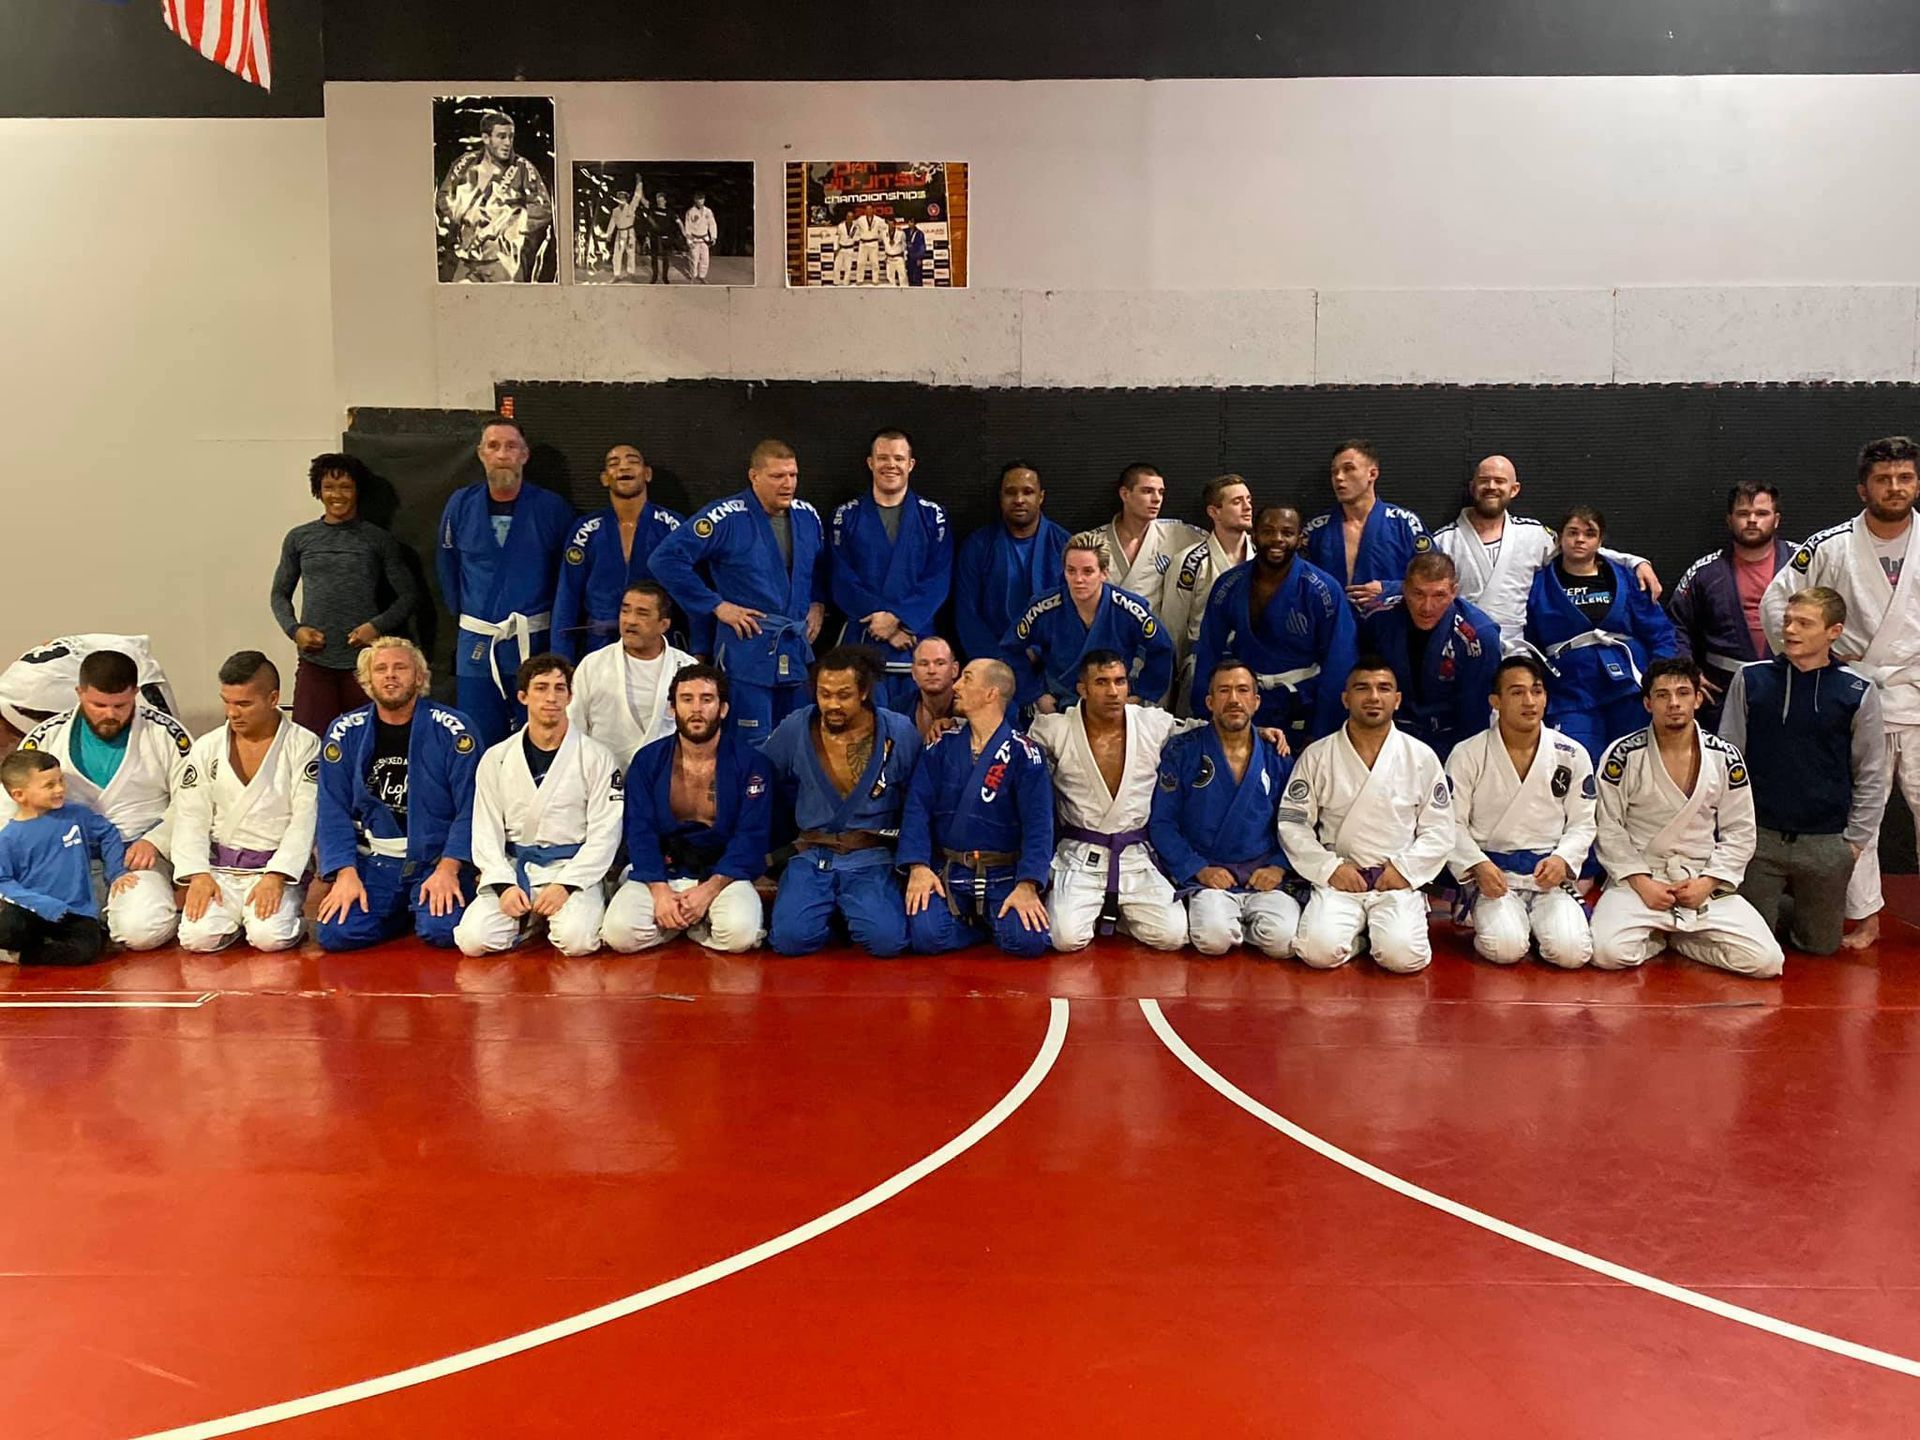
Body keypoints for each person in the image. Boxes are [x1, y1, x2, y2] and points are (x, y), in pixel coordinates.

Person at [1761, 436, 1920, 951]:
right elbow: (1776, 600)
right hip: (1854, 698)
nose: (1894, 488)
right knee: (1860, 816)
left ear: (1917, 483)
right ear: (1862, 487)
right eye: (1883, 479)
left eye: (1904, 478)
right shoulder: (1829, 547)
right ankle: (1865, 918)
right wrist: (1808, 661)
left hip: (1917, 696)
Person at [1721, 588, 1889, 956]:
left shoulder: (1857, 690)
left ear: (1834, 631)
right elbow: (1726, 760)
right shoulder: (1751, 680)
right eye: (1787, 621)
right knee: (1749, 944)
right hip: (1759, 838)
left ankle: (1792, 909)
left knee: (1821, 947)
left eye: (1804, 623)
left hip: (1826, 842)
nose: (1790, 630)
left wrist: (1855, 843)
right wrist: (1730, 832)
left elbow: (1873, 773)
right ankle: (1761, 905)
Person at [1591, 658, 1784, 977]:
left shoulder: (1725, 756)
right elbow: (1609, 829)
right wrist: (1642, 883)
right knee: (1606, 953)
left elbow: (1740, 832)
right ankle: (1660, 935)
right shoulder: (1623, 755)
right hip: (1642, 877)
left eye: (1683, 693)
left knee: (1766, 962)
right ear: (1647, 703)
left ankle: (1680, 938)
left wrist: (1708, 882)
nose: (1674, 703)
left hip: (1700, 877)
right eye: (1663, 695)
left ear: (1697, 698)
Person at [1278, 659, 1456, 974]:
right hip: (1341, 878)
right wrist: (1329, 868)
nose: (1373, 696)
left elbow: (1439, 829)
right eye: (1363, 688)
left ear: (1397, 699)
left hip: (1395, 881)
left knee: (1404, 959)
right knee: (1316, 953)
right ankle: (1364, 940)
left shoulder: (1421, 757)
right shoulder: (1319, 754)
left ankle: (1378, 935)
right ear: (1346, 698)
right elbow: (1293, 824)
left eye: (1383, 688)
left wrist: (1405, 870)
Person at [650, 439, 828, 747]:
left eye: (793, 475)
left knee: (800, 745)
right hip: (747, 649)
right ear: (754, 476)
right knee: (750, 747)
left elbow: (820, 566)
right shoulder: (726, 516)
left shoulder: (807, 516)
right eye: (777, 476)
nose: (787, 484)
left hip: (794, 651)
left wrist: (818, 602)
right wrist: (716, 605)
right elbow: (665, 560)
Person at [314, 638, 482, 952]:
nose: (390, 675)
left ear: (419, 677)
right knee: (335, 933)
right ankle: (399, 910)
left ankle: (413, 908)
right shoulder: (345, 731)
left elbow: (471, 806)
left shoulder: (454, 729)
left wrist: (449, 868)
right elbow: (331, 808)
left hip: (434, 859)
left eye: (400, 668)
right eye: (381, 669)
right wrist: (345, 873)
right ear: (368, 680)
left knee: (443, 931)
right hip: (376, 863)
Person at [15, 648, 189, 951]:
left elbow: (193, 800)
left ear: (135, 692)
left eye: (120, 705)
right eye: (98, 704)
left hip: (137, 854)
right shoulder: (45, 737)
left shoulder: (166, 734)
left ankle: (99, 921)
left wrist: (156, 840)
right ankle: (95, 922)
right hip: (64, 858)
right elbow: (12, 804)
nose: (109, 714)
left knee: (144, 929)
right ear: (79, 692)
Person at [454, 655, 624, 959]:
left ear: (571, 697)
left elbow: (606, 833)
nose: (551, 697)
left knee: (578, 942)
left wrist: (567, 885)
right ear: (522, 697)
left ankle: (552, 913)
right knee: (472, 940)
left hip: (570, 868)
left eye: (560, 688)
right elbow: (485, 829)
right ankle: (532, 918)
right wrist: (503, 885)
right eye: (541, 688)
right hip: (516, 868)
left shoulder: (597, 757)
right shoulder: (497, 758)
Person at [1027, 652, 1196, 952]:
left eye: (1120, 681)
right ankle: (1108, 906)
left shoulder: (1152, 723)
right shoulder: (1053, 729)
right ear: (1082, 689)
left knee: (1173, 934)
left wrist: (1253, 734)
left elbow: (1204, 734)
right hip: (1081, 854)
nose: (1113, 691)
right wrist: (956, 723)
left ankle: (1113, 910)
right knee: (1064, 938)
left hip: (1134, 855)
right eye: (1102, 682)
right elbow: (1012, 752)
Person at [759, 648, 920, 957]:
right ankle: (828, 911)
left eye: (843, 695)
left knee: (888, 942)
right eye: (824, 694)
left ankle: (846, 909)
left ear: (864, 691)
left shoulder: (898, 731)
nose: (832, 704)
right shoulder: (797, 727)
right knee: (790, 940)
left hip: (871, 856)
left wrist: (915, 862)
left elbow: (918, 803)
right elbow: (758, 778)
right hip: (812, 853)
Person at [602, 664, 770, 953]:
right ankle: (684, 920)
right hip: (662, 870)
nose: (696, 709)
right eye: (687, 699)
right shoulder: (648, 760)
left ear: (723, 709)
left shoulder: (751, 763)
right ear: (672, 708)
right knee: (619, 934)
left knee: (739, 935)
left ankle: (685, 925)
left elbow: (751, 836)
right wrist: (659, 889)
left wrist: (710, 890)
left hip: (722, 874)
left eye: (707, 699)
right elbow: (639, 830)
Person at [1444, 655, 1596, 968]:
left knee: (1573, 955)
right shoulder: (1468, 754)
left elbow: (1583, 823)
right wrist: (1478, 866)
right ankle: (1507, 923)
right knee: (1506, 949)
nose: (1529, 701)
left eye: (1537, 691)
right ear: (1495, 701)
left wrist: (1562, 859)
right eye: (1517, 692)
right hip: (1494, 878)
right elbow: (1450, 824)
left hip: (1548, 878)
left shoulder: (1570, 753)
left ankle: (1541, 926)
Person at [900, 659, 1054, 957]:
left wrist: (1028, 884)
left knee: (1027, 942)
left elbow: (1039, 825)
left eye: (967, 679)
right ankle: (983, 929)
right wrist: (918, 866)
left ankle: (993, 925)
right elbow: (916, 809)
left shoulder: (1025, 753)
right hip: (949, 872)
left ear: (991, 693)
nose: (955, 685)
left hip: (1004, 874)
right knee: (926, 937)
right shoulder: (940, 745)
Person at [436, 417, 575, 745]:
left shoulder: (552, 508)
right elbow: (447, 564)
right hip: (478, 642)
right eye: (493, 446)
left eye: (511, 446)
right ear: (481, 453)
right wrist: (467, 613)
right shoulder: (460, 504)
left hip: (534, 642)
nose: (502, 454)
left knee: (541, 739)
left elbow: (566, 577)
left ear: (524, 455)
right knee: (477, 737)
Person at [172, 653, 320, 956]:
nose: (232, 713)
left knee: (270, 938)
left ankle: (285, 919)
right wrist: (198, 874)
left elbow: (305, 819)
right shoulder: (207, 747)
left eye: (243, 704)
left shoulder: (303, 745)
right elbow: (190, 815)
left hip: (273, 869)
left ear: (273, 698)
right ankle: (235, 921)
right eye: (226, 702)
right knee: (195, 939)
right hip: (220, 870)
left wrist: (277, 875)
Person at [1148, 660, 1299, 958]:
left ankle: (1244, 923)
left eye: (1243, 690)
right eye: (1224, 691)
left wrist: (1279, 867)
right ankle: (1226, 919)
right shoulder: (1183, 750)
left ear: (1256, 701)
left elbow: (1296, 823)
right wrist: (1198, 869)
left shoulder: (1277, 754)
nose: (1234, 699)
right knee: (1213, 940)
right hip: (1208, 875)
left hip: (1262, 875)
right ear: (1209, 701)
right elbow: (1163, 822)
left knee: (1282, 942)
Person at [1429, 454, 1657, 646]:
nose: (1491, 487)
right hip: (1461, 642)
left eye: (1499, 481)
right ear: (1472, 487)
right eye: (1484, 481)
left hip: (1516, 647)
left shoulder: (1533, 535)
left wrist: (1634, 562)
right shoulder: (1444, 541)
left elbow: (1579, 548)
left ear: (1514, 489)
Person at [271, 451, 420, 736]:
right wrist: (294, 630)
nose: (337, 495)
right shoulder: (299, 538)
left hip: (364, 664)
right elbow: (279, 594)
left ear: (357, 491)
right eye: (329, 487)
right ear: (318, 490)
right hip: (316, 661)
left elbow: (408, 596)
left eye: (345, 487)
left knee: (369, 740)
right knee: (309, 745)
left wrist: (375, 627)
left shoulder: (378, 540)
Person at [1190, 505, 1358, 742]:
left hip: (1303, 702)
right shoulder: (1229, 585)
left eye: (1287, 533)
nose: (1277, 539)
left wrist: (1325, 727)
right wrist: (1204, 711)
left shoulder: (1323, 589)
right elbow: (1209, 649)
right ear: (1254, 536)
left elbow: (1339, 661)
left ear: (1300, 539)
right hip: (1245, 700)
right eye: (1268, 531)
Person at [1524, 505, 1680, 760]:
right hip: (1570, 691)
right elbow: (1528, 638)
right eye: (1572, 533)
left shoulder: (1626, 578)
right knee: (1576, 761)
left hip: (1628, 686)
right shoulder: (1538, 584)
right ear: (1560, 538)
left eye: (1589, 533)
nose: (1580, 540)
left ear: (1600, 541)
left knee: (1634, 761)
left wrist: (1658, 678)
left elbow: (1660, 632)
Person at [830, 429, 953, 708]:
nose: (891, 465)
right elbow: (841, 578)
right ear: (870, 463)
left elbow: (938, 579)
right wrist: (881, 622)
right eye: (883, 458)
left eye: (899, 458)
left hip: (915, 641)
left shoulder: (934, 517)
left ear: (910, 464)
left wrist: (900, 619)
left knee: (916, 728)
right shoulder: (845, 515)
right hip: (863, 639)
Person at [550, 441, 699, 660]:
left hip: (659, 646)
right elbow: (567, 596)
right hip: (599, 647)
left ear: (647, 474)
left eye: (633, 461)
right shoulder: (586, 530)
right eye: (614, 463)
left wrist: (700, 648)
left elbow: (694, 591)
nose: (623, 467)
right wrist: (561, 658)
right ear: (604, 478)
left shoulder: (673, 526)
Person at [1002, 534, 1174, 714]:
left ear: (1104, 572)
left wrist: (1139, 694)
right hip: (1057, 707)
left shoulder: (1129, 609)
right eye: (1071, 571)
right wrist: (1036, 694)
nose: (1078, 579)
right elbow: (1011, 647)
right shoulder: (1044, 609)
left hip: (1114, 703)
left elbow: (1162, 648)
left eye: (1087, 571)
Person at [1667, 481, 1792, 728]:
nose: (1752, 520)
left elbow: (1831, 612)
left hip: (1792, 684)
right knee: (1725, 762)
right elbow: (1674, 624)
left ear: (1776, 520)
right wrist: (1687, 671)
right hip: (1723, 689)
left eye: (1762, 514)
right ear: (1729, 520)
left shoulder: (1802, 564)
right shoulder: (1704, 571)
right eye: (1743, 514)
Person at [1359, 552, 1501, 760]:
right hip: (1389, 735)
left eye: (1439, 596)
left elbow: (1475, 715)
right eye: (1418, 594)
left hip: (1450, 739)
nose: (1427, 607)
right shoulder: (1377, 620)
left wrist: (1465, 762)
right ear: (1404, 589)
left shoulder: (1478, 637)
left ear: (1454, 592)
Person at [0, 751, 130, 967]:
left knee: (85, 950)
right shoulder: (8, 838)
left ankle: (20, 956)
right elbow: (3, 880)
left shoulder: (76, 815)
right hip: (31, 911)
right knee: (6, 928)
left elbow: (108, 833)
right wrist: (42, 904)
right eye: (49, 785)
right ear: (19, 795)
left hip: (74, 912)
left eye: (61, 781)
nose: (60, 789)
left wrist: (116, 872)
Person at [953, 463, 1071, 664]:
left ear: (1040, 497)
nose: (1019, 500)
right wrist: (995, 659)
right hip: (992, 660)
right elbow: (966, 613)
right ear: (1000, 497)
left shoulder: (1064, 546)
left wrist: (1042, 652)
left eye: (1028, 492)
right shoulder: (978, 545)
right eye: (1010, 492)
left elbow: (1074, 611)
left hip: (1051, 660)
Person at [567, 582, 698, 763]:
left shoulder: (687, 668)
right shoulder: (593, 665)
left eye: (642, 613)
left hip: (665, 777)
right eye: (625, 611)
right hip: (603, 777)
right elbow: (573, 726)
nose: (630, 620)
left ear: (664, 624)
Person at [1161, 474, 1257, 711]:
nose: (1247, 507)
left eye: (1248, 500)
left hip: (1253, 660)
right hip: (1203, 661)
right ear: (1214, 512)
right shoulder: (1190, 562)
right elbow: (1173, 629)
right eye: (1237, 502)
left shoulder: (1263, 559)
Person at [1301, 440, 1432, 614]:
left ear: (1372, 474)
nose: (1339, 477)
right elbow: (1294, 580)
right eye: (1334, 472)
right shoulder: (1316, 529)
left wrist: (1391, 589)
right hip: (1333, 630)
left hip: (1392, 627)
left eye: (1348, 469)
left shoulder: (1405, 523)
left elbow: (1435, 578)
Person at [435, 110, 553, 283]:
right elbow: (444, 197)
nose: (508, 143)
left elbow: (543, 209)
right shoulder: (465, 163)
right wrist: (464, 215)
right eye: (501, 136)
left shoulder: (522, 168)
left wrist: (507, 225)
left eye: (511, 137)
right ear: (485, 138)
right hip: (466, 258)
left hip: (503, 262)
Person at [0, 634, 176, 745]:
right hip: (101, 651)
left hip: (136, 668)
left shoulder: (34, 696)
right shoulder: (14, 689)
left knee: (167, 745)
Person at [1098, 463, 1206, 615]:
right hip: (1108, 631)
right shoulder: (1094, 542)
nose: (1157, 499)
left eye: (1161, 492)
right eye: (1147, 491)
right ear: (1125, 494)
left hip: (1154, 633)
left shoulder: (1178, 534)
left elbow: (1219, 545)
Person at [892, 636, 960, 744]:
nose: (931, 671)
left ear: (954, 670)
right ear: (913, 672)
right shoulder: (899, 708)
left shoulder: (969, 708)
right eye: (924, 664)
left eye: (940, 663)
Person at [600, 190, 640, 280]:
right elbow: (612, 223)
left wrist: (639, 184)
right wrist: (609, 234)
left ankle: (631, 273)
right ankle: (616, 274)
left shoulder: (631, 207)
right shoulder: (615, 211)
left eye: (623, 198)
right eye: (620, 198)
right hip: (620, 233)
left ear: (626, 199)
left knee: (630, 253)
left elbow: (637, 198)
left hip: (630, 233)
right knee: (617, 254)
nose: (621, 200)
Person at [682, 191, 718, 282]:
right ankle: (693, 275)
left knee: (705, 259)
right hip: (694, 238)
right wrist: (689, 241)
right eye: (698, 200)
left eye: (702, 200)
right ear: (695, 200)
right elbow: (687, 227)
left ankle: (702, 276)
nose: (700, 202)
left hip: (705, 238)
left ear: (704, 200)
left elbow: (712, 224)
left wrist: (713, 237)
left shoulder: (708, 211)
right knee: (694, 258)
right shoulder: (690, 212)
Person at [646, 191, 677, 283]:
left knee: (665, 258)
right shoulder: (653, 210)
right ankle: (654, 276)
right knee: (654, 258)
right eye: (658, 200)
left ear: (665, 201)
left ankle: (665, 277)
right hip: (654, 237)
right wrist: (647, 236)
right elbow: (649, 222)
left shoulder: (670, 212)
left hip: (666, 237)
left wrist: (682, 233)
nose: (659, 202)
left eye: (661, 200)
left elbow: (677, 222)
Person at [851, 206, 886, 285]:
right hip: (863, 243)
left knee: (875, 263)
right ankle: (859, 280)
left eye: (870, 209)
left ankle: (875, 280)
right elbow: (854, 227)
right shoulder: (860, 219)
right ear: (865, 211)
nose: (869, 211)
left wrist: (881, 236)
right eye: (867, 210)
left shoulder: (879, 220)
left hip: (873, 243)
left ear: (873, 210)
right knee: (860, 262)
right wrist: (855, 237)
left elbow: (885, 229)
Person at [831, 212, 857, 286]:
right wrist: (835, 248)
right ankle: (836, 282)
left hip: (849, 249)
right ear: (846, 217)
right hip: (841, 248)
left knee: (848, 268)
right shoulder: (841, 226)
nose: (849, 218)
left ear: (853, 218)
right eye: (848, 216)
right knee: (837, 267)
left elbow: (857, 237)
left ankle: (846, 282)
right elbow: (836, 237)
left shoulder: (855, 227)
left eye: (851, 217)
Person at [883, 218, 909, 286]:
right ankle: (892, 292)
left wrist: (905, 258)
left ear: (894, 224)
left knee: (902, 276)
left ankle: (904, 291)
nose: (891, 226)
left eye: (892, 224)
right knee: (890, 277)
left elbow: (904, 245)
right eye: (889, 224)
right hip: (889, 258)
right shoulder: (884, 233)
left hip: (898, 258)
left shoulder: (900, 233)